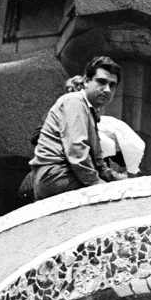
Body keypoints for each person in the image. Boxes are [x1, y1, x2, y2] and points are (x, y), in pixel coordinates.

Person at [30, 56, 123, 200]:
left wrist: (119, 179)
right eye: (101, 82)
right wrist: (96, 183)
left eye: (113, 85)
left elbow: (98, 162)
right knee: (117, 200)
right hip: (56, 176)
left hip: (65, 175)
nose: (107, 90)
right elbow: (76, 149)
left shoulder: (90, 112)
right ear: (86, 81)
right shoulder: (75, 101)